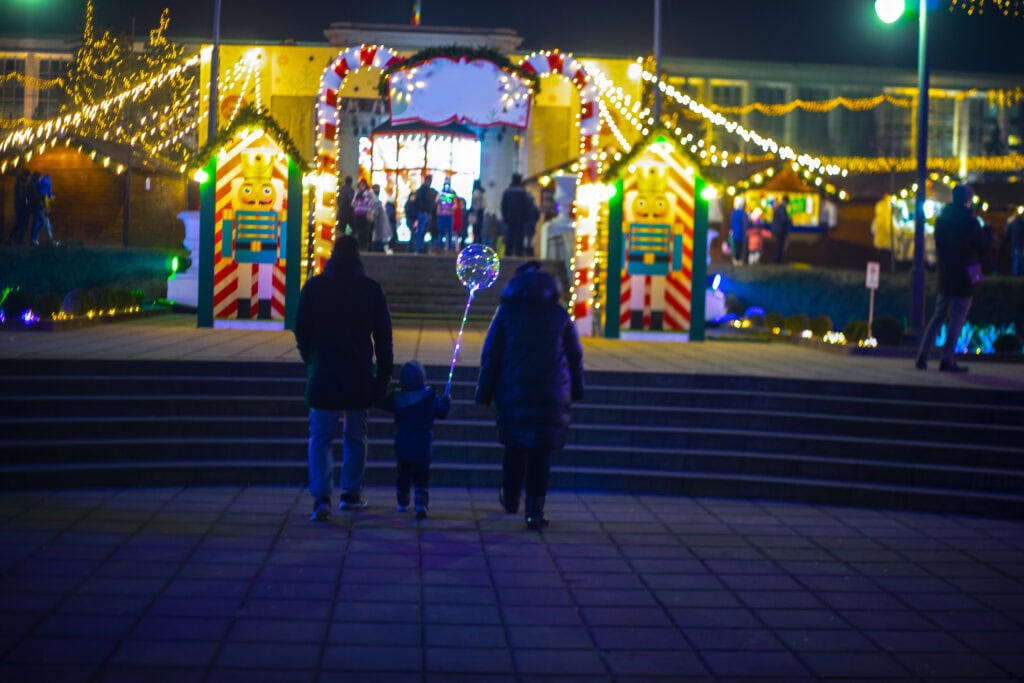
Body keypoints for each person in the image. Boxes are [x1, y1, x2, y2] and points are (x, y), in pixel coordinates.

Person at [476, 261, 584, 530]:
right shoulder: (559, 314)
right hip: (551, 392)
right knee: (540, 454)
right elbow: (574, 356)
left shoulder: (505, 313)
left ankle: (511, 497)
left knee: (514, 448)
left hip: (513, 390)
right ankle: (534, 512)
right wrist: (577, 389)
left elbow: (491, 355)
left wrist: (484, 392)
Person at [294, 235, 394, 521]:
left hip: (324, 371)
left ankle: (321, 498)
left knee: (320, 436)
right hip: (358, 371)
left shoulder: (315, 287)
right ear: (358, 256)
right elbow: (384, 337)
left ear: (333, 255)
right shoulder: (370, 289)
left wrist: (310, 357)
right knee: (355, 434)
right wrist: (383, 374)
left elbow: (301, 328)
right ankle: (350, 492)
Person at [915, 184, 988, 373]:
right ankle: (947, 360)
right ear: (967, 200)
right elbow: (982, 247)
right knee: (957, 318)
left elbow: (939, 246)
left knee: (938, 315)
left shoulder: (942, 220)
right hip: (966, 274)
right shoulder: (971, 222)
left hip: (946, 273)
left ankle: (922, 356)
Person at [378, 360, 451, 520]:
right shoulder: (429, 398)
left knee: (403, 474)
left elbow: (382, 402)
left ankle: (403, 499)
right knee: (421, 476)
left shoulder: (397, 398)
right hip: (423, 447)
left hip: (403, 445)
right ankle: (420, 502)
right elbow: (442, 412)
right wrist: (446, 400)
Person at [500, 173, 535, 257]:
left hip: (509, 218)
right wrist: (526, 217)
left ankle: (508, 252)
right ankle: (518, 253)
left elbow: (503, 205)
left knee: (510, 235)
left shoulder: (507, 191)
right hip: (520, 219)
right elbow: (526, 206)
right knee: (519, 236)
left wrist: (505, 217)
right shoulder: (522, 191)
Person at [4, 169, 31, 246]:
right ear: (26, 176)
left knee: (20, 224)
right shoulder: (21, 183)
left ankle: (14, 239)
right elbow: (21, 195)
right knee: (20, 224)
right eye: (28, 177)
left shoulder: (21, 181)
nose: (29, 178)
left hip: (20, 206)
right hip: (21, 206)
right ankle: (15, 239)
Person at [413, 175, 438, 254]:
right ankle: (419, 249)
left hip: (426, 213)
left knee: (422, 231)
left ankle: (420, 249)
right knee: (421, 232)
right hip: (423, 213)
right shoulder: (422, 191)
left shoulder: (427, 191)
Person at [368, 183, 392, 253]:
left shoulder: (375, 201)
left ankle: (378, 250)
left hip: (378, 224)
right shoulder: (377, 200)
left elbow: (375, 213)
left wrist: (370, 215)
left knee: (378, 239)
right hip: (380, 224)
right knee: (379, 239)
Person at [435, 178, 456, 252]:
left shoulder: (452, 193)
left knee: (450, 232)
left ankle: (449, 247)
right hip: (441, 215)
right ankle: (440, 246)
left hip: (449, 215)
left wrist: (452, 208)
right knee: (441, 232)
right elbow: (436, 201)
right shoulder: (440, 193)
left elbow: (455, 205)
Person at [351, 179, 373, 251]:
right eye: (360, 185)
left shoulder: (369, 194)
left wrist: (368, 210)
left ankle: (364, 247)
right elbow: (353, 204)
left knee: (365, 231)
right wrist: (356, 195)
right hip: (357, 214)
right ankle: (360, 246)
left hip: (365, 214)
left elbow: (370, 204)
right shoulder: (357, 193)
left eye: (363, 185)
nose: (362, 187)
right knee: (359, 231)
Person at [770, 195, 792, 264]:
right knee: (780, 246)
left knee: (779, 245)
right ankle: (777, 260)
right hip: (780, 230)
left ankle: (777, 260)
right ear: (785, 202)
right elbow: (783, 219)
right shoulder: (782, 208)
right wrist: (789, 220)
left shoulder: (779, 208)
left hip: (778, 230)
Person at [729, 197, 750, 265]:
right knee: (740, 247)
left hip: (734, 233)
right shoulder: (742, 213)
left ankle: (735, 259)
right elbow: (745, 222)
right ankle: (739, 260)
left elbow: (731, 222)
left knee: (735, 247)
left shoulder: (733, 213)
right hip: (741, 233)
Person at [469, 179, 486, 245]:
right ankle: (479, 243)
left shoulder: (475, 192)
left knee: (475, 229)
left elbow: (473, 203)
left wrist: (472, 209)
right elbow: (484, 205)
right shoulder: (483, 192)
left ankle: (475, 243)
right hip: (481, 212)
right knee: (479, 229)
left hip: (475, 213)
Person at [1008, 211, 1024, 277]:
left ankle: (1014, 278)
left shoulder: (1012, 224)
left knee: (1015, 262)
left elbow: (1007, 234)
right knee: (1020, 262)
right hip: (1020, 245)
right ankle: (1019, 277)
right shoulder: (1022, 224)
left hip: (1014, 245)